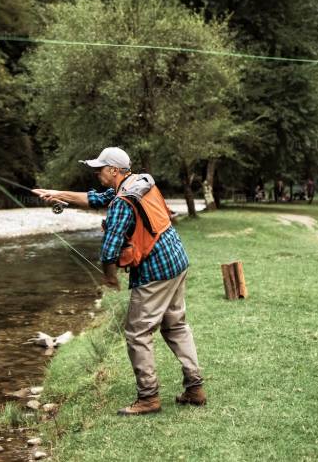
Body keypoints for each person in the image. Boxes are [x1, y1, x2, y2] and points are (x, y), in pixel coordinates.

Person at [32, 147, 206, 416]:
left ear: (114, 170)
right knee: (176, 326)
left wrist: (109, 278)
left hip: (155, 272)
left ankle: (148, 398)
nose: (96, 173)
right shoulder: (140, 182)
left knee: (137, 333)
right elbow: (94, 199)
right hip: (176, 262)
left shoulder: (123, 202)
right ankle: (195, 388)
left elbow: (109, 250)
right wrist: (57, 195)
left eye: (100, 169)